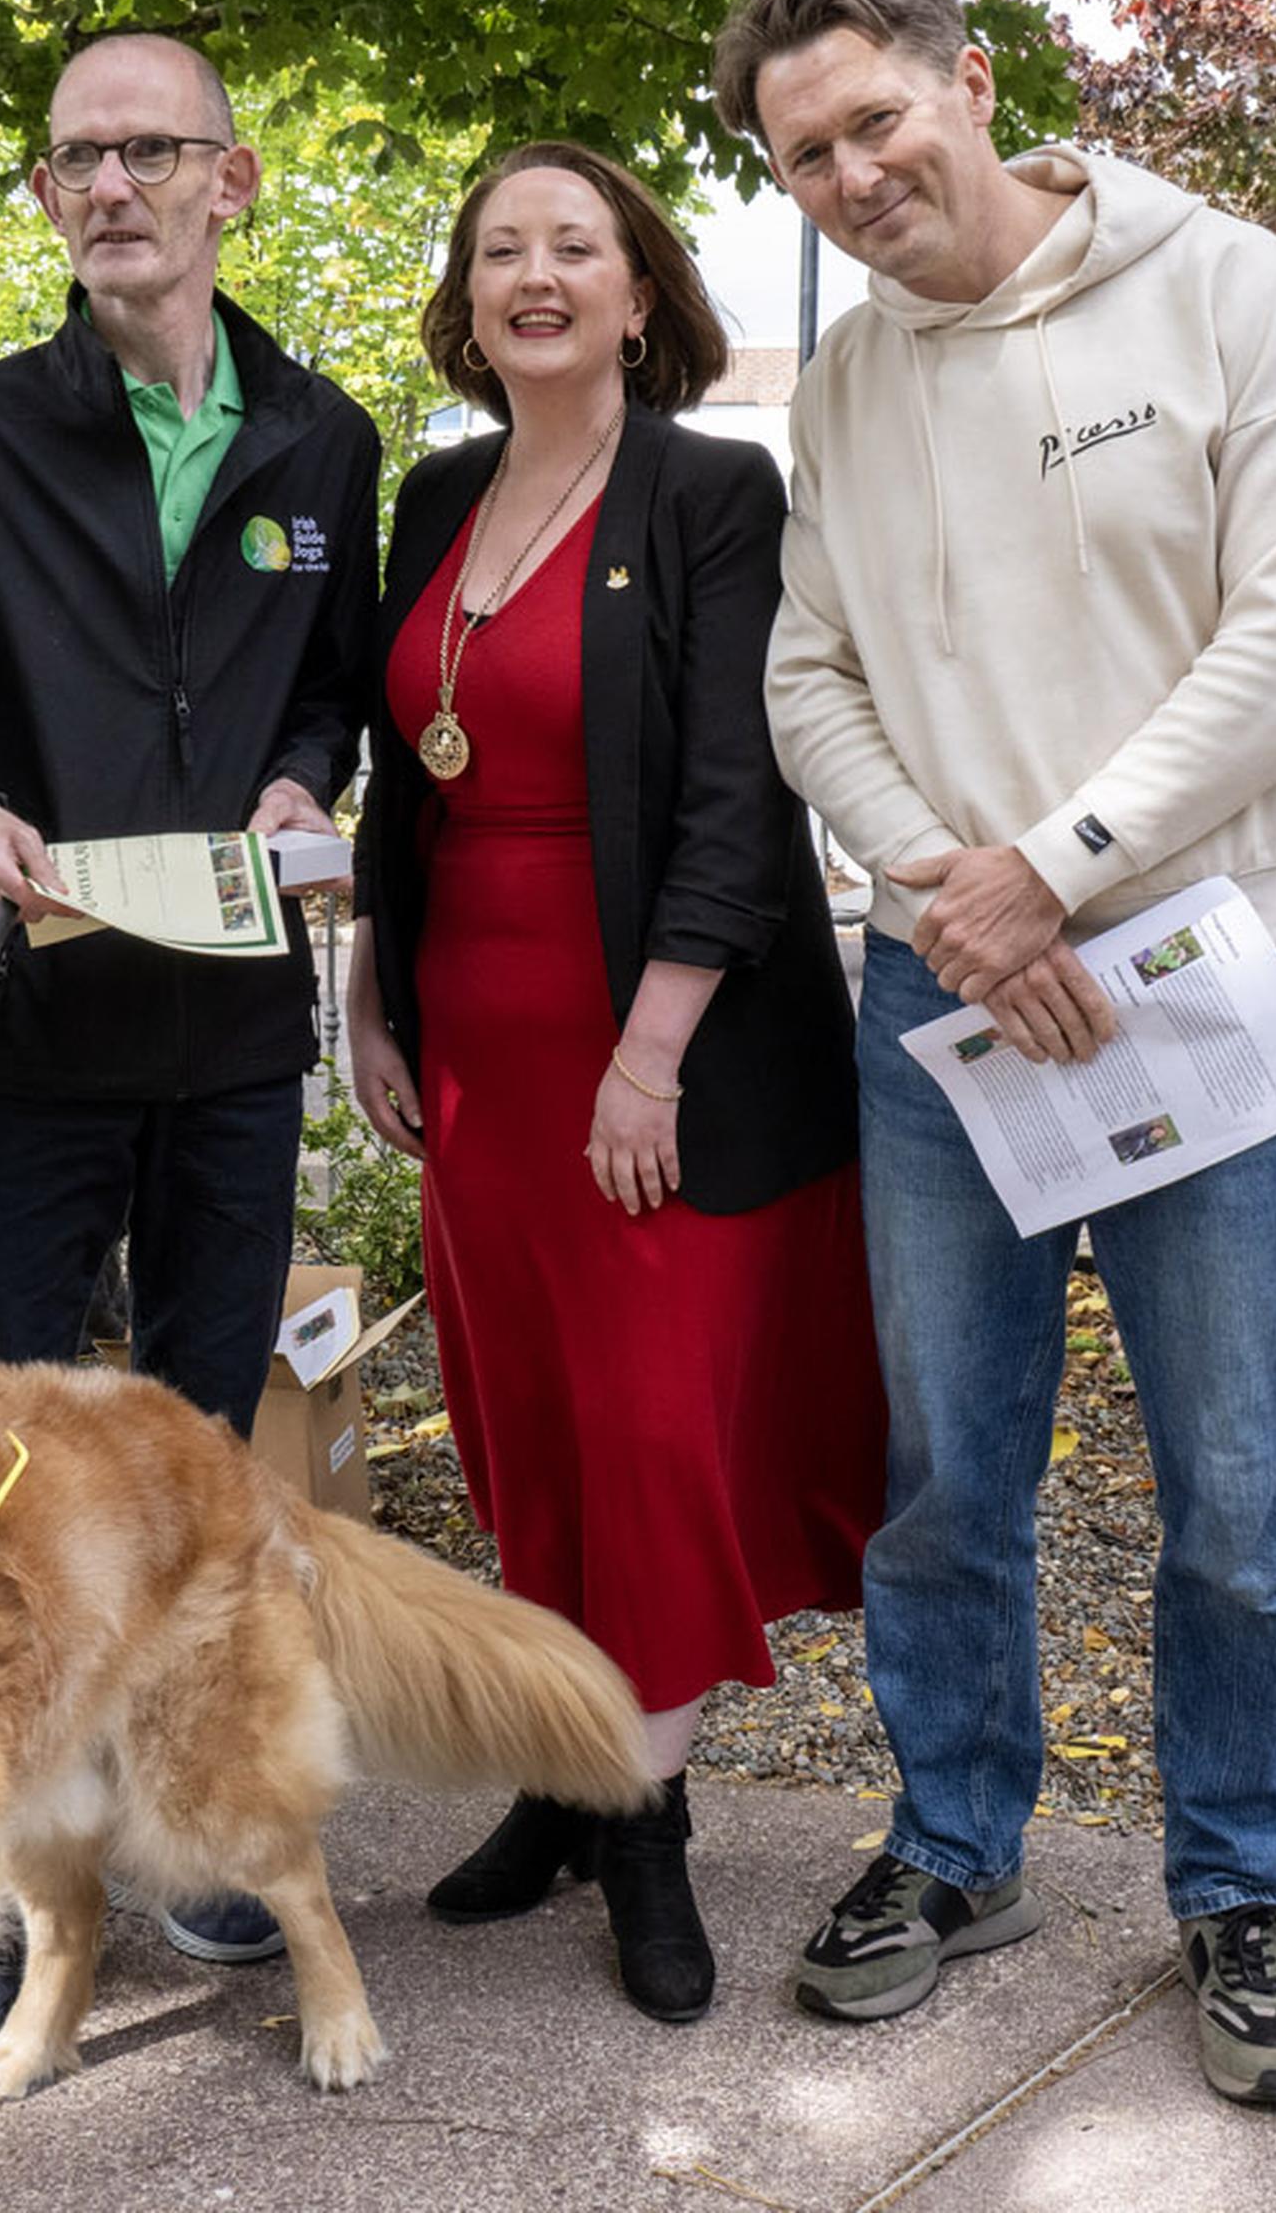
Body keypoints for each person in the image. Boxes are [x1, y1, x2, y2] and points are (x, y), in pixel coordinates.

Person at [712, 0, 1276, 2102]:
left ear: (973, 81)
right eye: (803, 157)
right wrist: (947, 885)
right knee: (945, 1477)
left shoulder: (1228, 289)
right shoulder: (847, 385)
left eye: (875, 120)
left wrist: (1059, 860)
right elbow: (809, 676)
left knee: (1237, 1493)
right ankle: (955, 1841)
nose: (851, 175)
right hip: (955, 988)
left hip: (1211, 964)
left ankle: (1240, 1880)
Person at [0, 31, 382, 2002]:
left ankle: (198, 1823)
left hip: (229, 1033)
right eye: (76, 160)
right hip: (38, 1047)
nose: (111, 187)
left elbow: (336, 684)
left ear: (233, 180)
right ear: (49, 198)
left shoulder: (321, 441)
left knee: (206, 1456)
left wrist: (306, 776)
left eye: (151, 151)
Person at [347, 143, 880, 2022]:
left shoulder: (715, 491)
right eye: (502, 248)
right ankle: (567, 1779)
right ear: (469, 298)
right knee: (536, 1433)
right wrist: (373, 1003)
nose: (537, 275)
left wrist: (648, 1058)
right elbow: (405, 781)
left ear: (642, 293)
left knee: (651, 1439)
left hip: (657, 1045)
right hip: (475, 1044)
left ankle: (644, 1825)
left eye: (576, 246)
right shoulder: (435, 494)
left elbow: (741, 790)